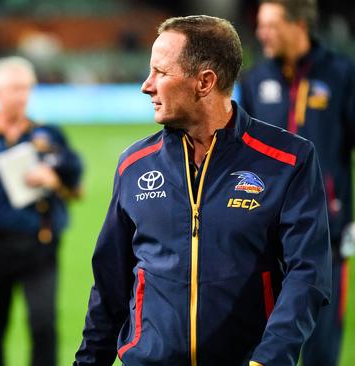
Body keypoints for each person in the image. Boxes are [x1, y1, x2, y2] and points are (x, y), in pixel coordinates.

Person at [74, 15, 331, 366]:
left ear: (205, 82)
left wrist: (269, 359)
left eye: (161, 73)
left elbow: (308, 274)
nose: (146, 85)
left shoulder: (288, 160)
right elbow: (109, 286)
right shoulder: (134, 165)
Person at [239, 1, 355, 364]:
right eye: (260, 25)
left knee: (321, 354)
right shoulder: (256, 80)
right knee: (261, 351)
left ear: (299, 25)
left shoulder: (344, 76)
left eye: (271, 25)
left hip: (326, 238)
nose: (262, 33)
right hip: (263, 239)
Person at [0, 56, 82, 366]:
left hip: (40, 242)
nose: (20, 95)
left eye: (25, 88)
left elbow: (77, 191)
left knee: (43, 324)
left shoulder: (49, 135)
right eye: (13, 88)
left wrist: (53, 181)